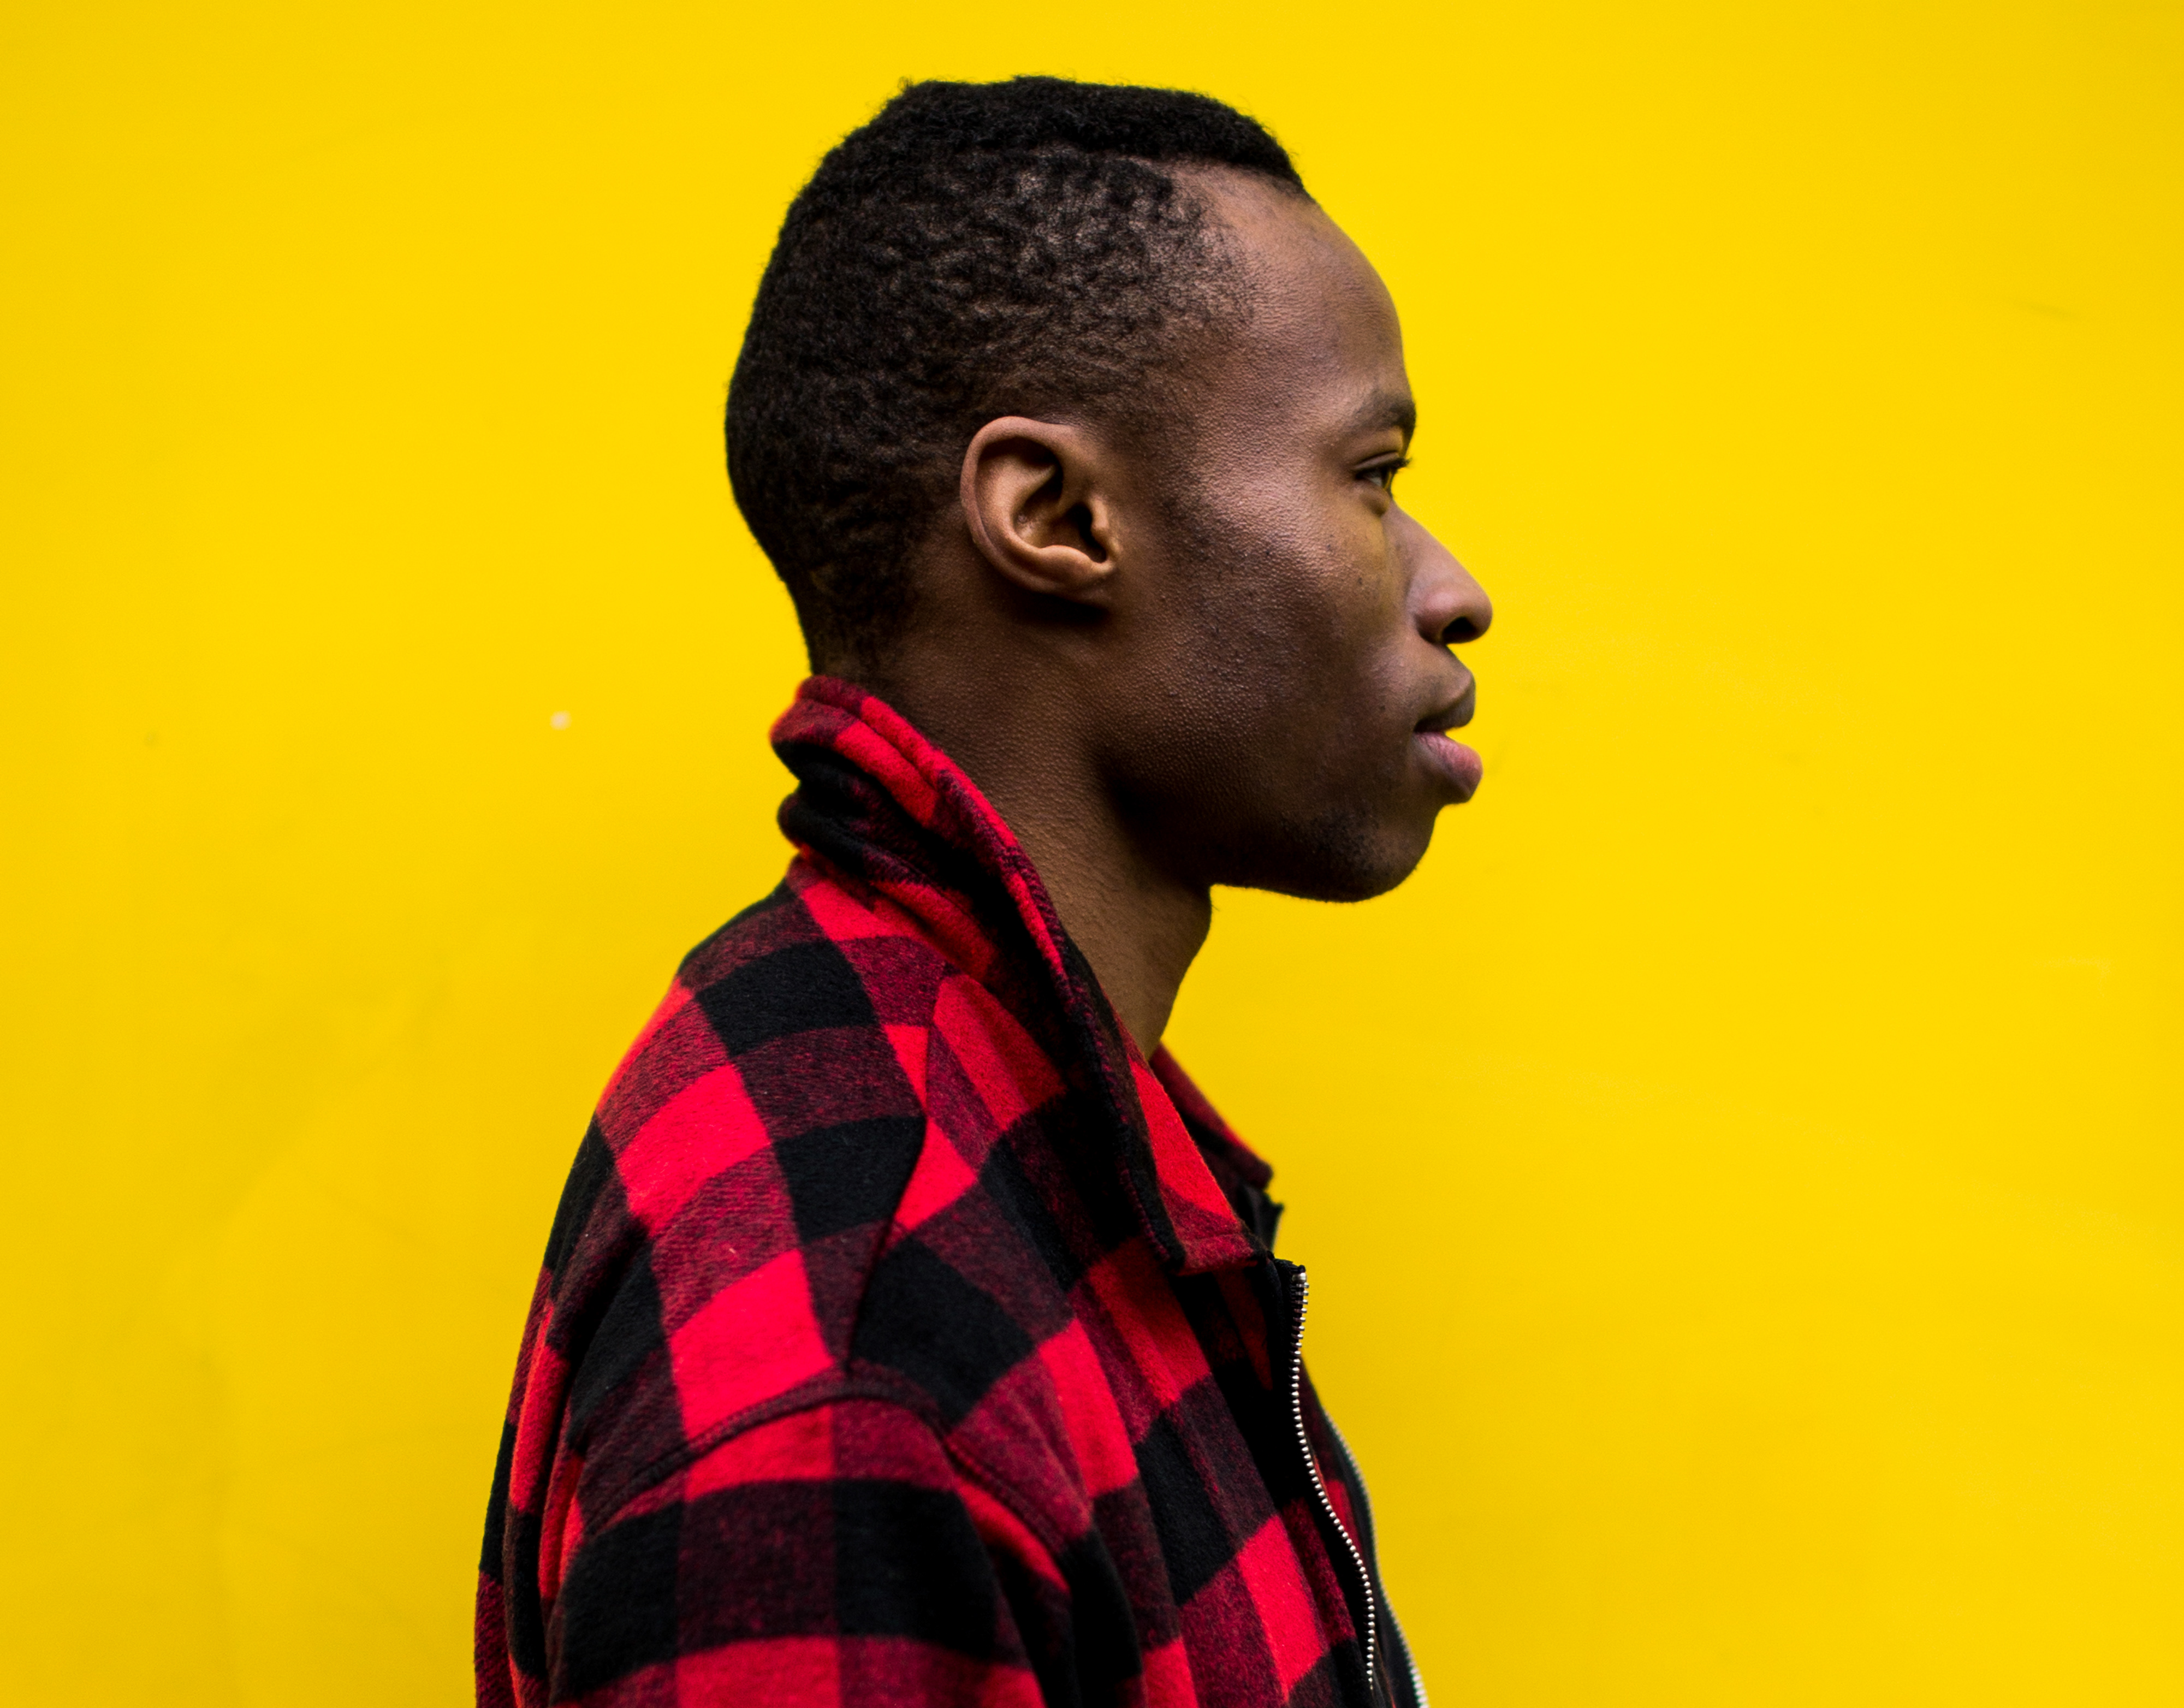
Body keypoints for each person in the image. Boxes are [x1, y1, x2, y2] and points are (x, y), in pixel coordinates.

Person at [476, 75, 1491, 1708]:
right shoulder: (864, 1345)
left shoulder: (1030, 1128)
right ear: (1056, 519)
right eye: (1371, 476)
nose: (1455, 587)